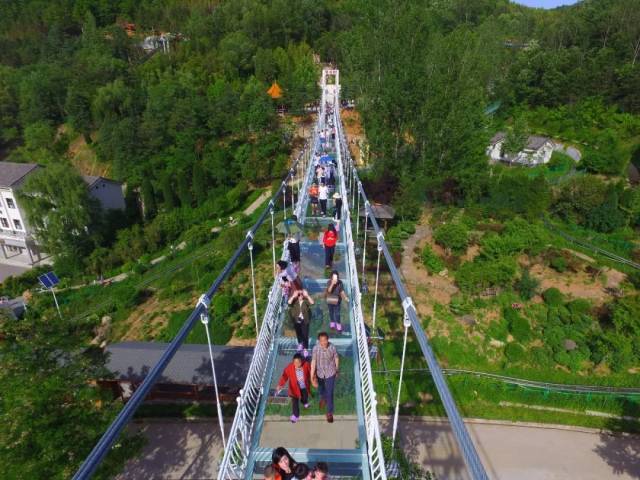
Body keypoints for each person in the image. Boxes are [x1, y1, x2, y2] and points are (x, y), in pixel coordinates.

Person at [311, 332, 339, 423]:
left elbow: (336, 358)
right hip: (320, 373)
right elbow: (314, 362)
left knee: (330, 393)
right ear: (319, 341)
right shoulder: (316, 349)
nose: (323, 342)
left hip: (330, 372)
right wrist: (312, 376)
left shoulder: (332, 347)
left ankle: (329, 412)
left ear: (328, 340)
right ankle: (323, 398)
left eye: (325, 340)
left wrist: (337, 369)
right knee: (321, 389)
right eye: (321, 341)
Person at [276, 353, 312, 423]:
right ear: (293, 361)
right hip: (294, 388)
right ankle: (295, 415)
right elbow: (285, 376)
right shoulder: (290, 367)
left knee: (304, 396)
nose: (297, 364)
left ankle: (304, 402)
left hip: (304, 386)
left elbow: (311, 372)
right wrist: (280, 385)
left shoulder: (306, 365)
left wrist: (314, 379)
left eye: (299, 362)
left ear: (302, 361)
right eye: (295, 362)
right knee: (294, 402)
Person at [288, 286, 314, 356]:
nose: (300, 296)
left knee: (305, 334)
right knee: (298, 333)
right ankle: (300, 344)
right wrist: (294, 296)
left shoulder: (305, 301)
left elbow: (312, 302)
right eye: (299, 295)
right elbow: (289, 302)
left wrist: (307, 295)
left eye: (301, 294)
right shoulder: (294, 301)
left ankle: (305, 348)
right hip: (296, 320)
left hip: (305, 320)